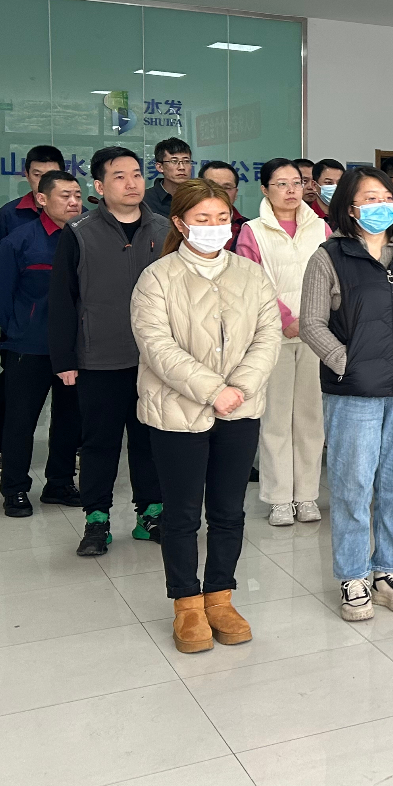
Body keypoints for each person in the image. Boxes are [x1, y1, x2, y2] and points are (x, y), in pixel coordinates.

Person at [130, 178, 280, 653]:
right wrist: (215, 391)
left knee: (228, 511)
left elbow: (268, 335)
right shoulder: (157, 278)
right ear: (180, 223)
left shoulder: (251, 275)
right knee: (181, 514)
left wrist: (239, 389)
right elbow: (156, 346)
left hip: (241, 410)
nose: (215, 227)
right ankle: (187, 605)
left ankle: (220, 597)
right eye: (202, 219)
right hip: (177, 413)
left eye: (222, 218)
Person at [298, 167, 393, 622]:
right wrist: (346, 362)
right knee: (353, 486)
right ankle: (353, 575)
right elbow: (311, 323)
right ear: (349, 206)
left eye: (386, 197)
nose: (381, 205)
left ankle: (391, 570)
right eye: (370, 198)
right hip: (354, 392)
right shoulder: (329, 256)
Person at [50, 147, 170, 557]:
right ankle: (97, 519)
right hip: (98, 358)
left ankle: (150, 514)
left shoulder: (165, 228)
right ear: (99, 187)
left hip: (154, 359)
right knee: (99, 443)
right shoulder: (79, 231)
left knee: (150, 439)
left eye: (136, 174)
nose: (131, 183)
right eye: (119, 176)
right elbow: (62, 299)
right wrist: (65, 359)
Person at [235, 158, 329, 525]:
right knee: (275, 418)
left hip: (316, 334)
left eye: (297, 183)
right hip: (271, 337)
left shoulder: (321, 227)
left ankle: (306, 495)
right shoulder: (252, 231)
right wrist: (286, 319)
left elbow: (332, 278)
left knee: (310, 418)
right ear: (264, 189)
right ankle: (278, 498)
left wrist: (314, 319)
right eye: (281, 184)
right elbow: (252, 281)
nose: (291, 190)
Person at [0, 169, 84, 516]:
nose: (74, 202)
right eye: (65, 196)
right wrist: (19, 329)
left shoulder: (86, 238)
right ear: (42, 199)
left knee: (70, 419)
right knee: (20, 421)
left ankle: (60, 483)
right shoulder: (19, 241)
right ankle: (14, 488)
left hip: (75, 347)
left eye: (77, 195)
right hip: (29, 346)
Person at [0, 143, 67, 484]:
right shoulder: (9, 217)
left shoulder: (80, 223)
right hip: (25, 334)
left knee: (69, 412)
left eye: (52, 174)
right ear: (27, 176)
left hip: (68, 338)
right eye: (37, 174)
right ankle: (4, 460)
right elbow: (1, 282)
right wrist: (17, 325)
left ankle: (61, 479)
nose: (43, 180)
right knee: (16, 404)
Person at [197, 160, 247, 250]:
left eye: (226, 187)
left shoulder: (247, 228)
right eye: (212, 186)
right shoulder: (187, 224)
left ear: (235, 193)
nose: (219, 192)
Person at [144, 138, 194, 217]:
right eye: (174, 161)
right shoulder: (145, 200)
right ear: (160, 167)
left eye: (186, 161)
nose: (181, 167)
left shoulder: (199, 197)